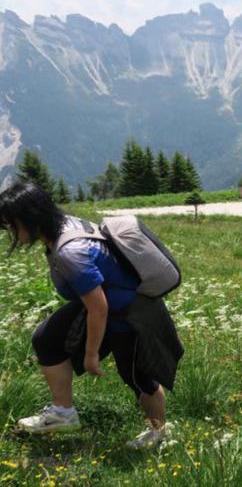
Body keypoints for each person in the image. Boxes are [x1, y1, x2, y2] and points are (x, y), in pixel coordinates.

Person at [0, 181, 183, 448]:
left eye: (10, 224)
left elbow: (99, 308)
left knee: (137, 376)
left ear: (30, 218)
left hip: (130, 314)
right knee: (46, 337)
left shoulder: (70, 253)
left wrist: (91, 354)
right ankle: (63, 412)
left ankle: (158, 433)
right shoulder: (63, 225)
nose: (9, 232)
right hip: (108, 305)